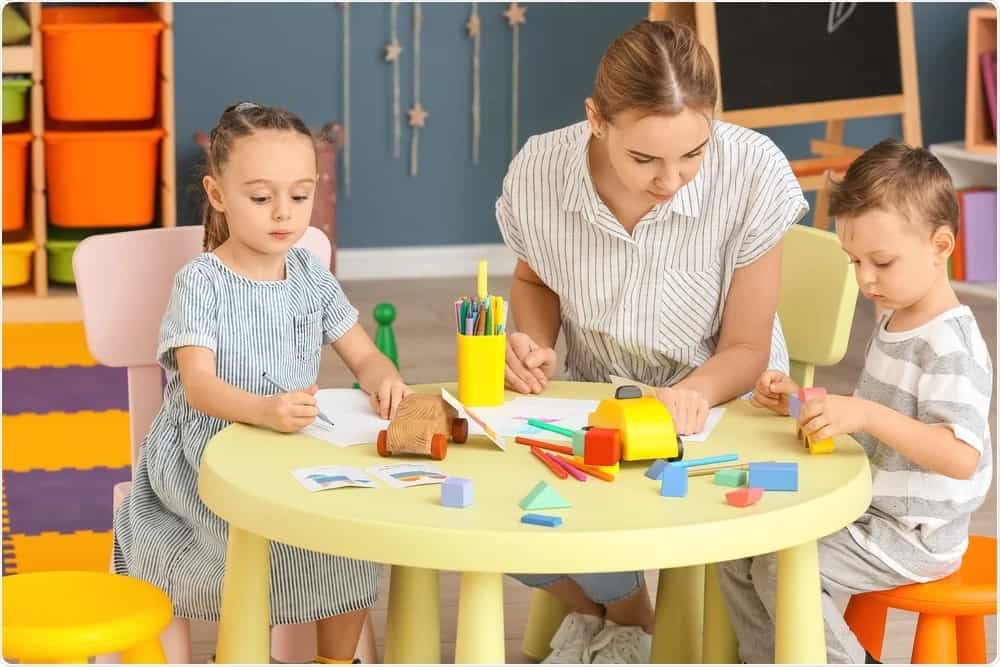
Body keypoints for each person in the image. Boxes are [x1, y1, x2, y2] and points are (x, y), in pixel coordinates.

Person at [496, 19, 808, 663]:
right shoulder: (539, 170)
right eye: (645, 159)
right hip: (596, 402)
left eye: (693, 152)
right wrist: (534, 343)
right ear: (596, 119)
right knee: (506, 519)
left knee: (641, 513)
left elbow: (747, 348)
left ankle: (626, 626)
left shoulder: (752, 171)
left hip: (724, 407)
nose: (672, 180)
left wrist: (691, 394)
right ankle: (623, 615)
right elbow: (534, 280)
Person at [112, 102, 410, 663]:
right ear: (218, 194)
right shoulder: (201, 282)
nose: (283, 214)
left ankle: (333, 661)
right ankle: (242, 651)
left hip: (288, 447)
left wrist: (384, 378)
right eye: (260, 197)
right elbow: (199, 387)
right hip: (206, 460)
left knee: (350, 536)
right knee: (255, 546)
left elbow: (364, 355)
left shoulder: (309, 273)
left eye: (299, 196)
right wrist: (262, 410)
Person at [718, 139, 993, 664]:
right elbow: (868, 422)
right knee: (740, 548)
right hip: (867, 507)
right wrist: (797, 404)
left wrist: (865, 413)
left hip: (912, 535)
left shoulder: (949, 345)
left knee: (780, 566)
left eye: (881, 262)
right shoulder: (895, 317)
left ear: (941, 245)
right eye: (856, 261)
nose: (865, 278)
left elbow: (961, 456)